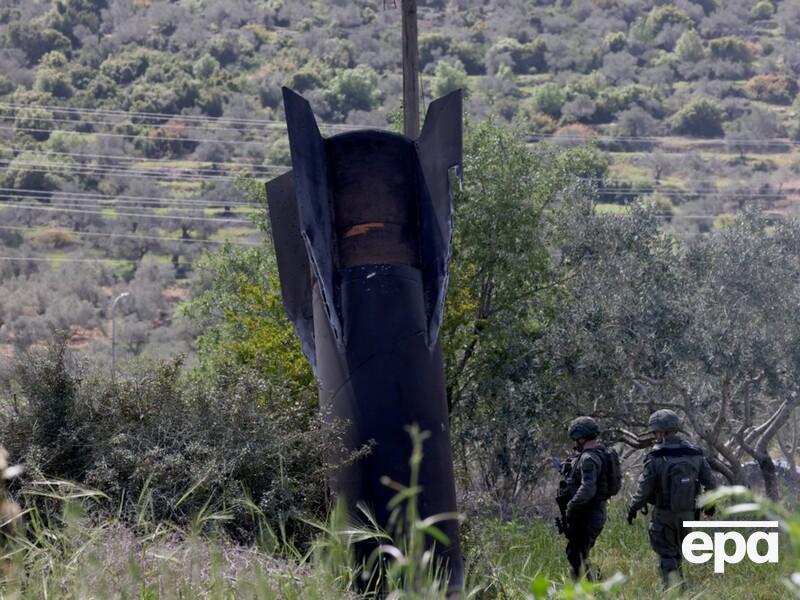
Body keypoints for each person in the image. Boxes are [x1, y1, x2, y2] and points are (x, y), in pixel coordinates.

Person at [627, 409, 717, 589]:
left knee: (667, 557)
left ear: (659, 431)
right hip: (688, 515)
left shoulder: (655, 457)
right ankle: (681, 589)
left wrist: (633, 508)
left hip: (664, 515)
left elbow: (643, 491)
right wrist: (709, 507)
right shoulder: (694, 453)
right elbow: (712, 485)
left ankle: (673, 592)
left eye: (655, 432)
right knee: (677, 555)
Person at [559, 416, 609, 580]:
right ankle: (593, 588)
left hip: (587, 514)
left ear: (581, 437)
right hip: (591, 512)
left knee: (576, 555)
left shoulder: (588, 458)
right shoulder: (597, 453)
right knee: (577, 554)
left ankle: (597, 587)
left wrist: (571, 506)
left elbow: (588, 487)